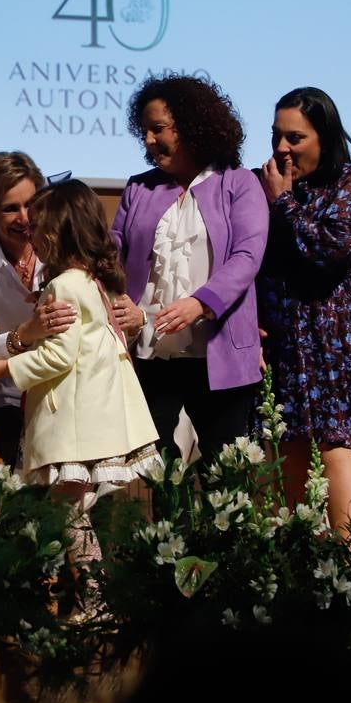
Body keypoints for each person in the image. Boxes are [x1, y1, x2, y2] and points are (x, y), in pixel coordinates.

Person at [0, 180, 161, 583]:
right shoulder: (92, 280)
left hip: (74, 424)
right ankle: (97, 593)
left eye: (35, 225)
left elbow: (58, 356)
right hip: (96, 419)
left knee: (65, 509)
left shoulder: (64, 284)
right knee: (73, 508)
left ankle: (93, 596)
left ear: (52, 232)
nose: (29, 232)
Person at [109, 74, 268, 467]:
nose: (148, 140)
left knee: (225, 475)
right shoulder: (139, 188)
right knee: (156, 470)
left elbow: (247, 257)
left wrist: (200, 304)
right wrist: (117, 300)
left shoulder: (240, 183)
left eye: (158, 128)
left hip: (218, 353)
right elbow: (111, 253)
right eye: (144, 130)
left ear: (192, 125)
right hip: (151, 354)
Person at [257, 87, 351, 535]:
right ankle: (307, 572)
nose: (281, 148)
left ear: (324, 137)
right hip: (284, 333)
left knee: (335, 445)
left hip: (334, 334)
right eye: (276, 136)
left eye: (294, 138)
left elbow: (330, 249)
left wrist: (282, 202)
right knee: (288, 446)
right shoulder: (267, 184)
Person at [0, 152, 76, 465]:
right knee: (28, 492)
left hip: (65, 387)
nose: (25, 218)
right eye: (11, 209)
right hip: (7, 400)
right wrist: (25, 334)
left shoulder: (64, 247)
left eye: (31, 203)